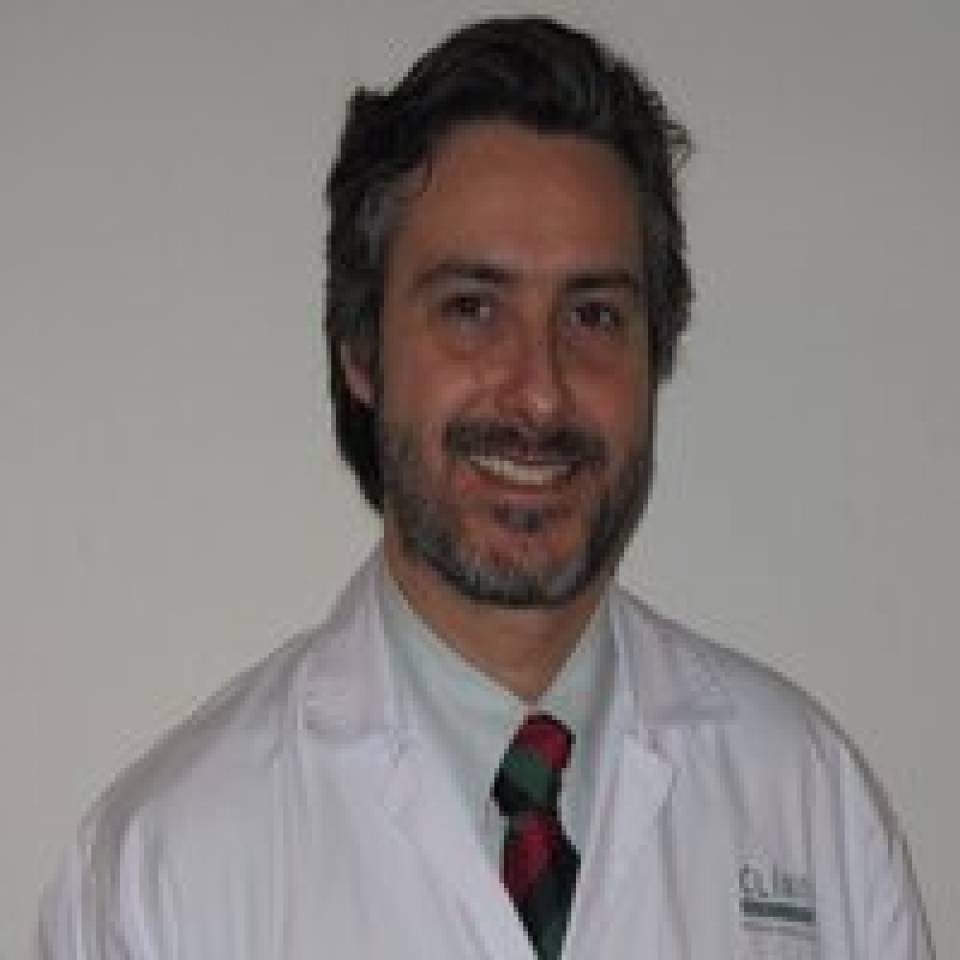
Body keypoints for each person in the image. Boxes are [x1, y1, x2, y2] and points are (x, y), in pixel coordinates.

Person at [40, 16, 933, 960]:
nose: (540, 392)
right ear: (360, 352)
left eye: (594, 315)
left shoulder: (810, 803)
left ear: (655, 356)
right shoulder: (164, 868)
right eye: (471, 309)